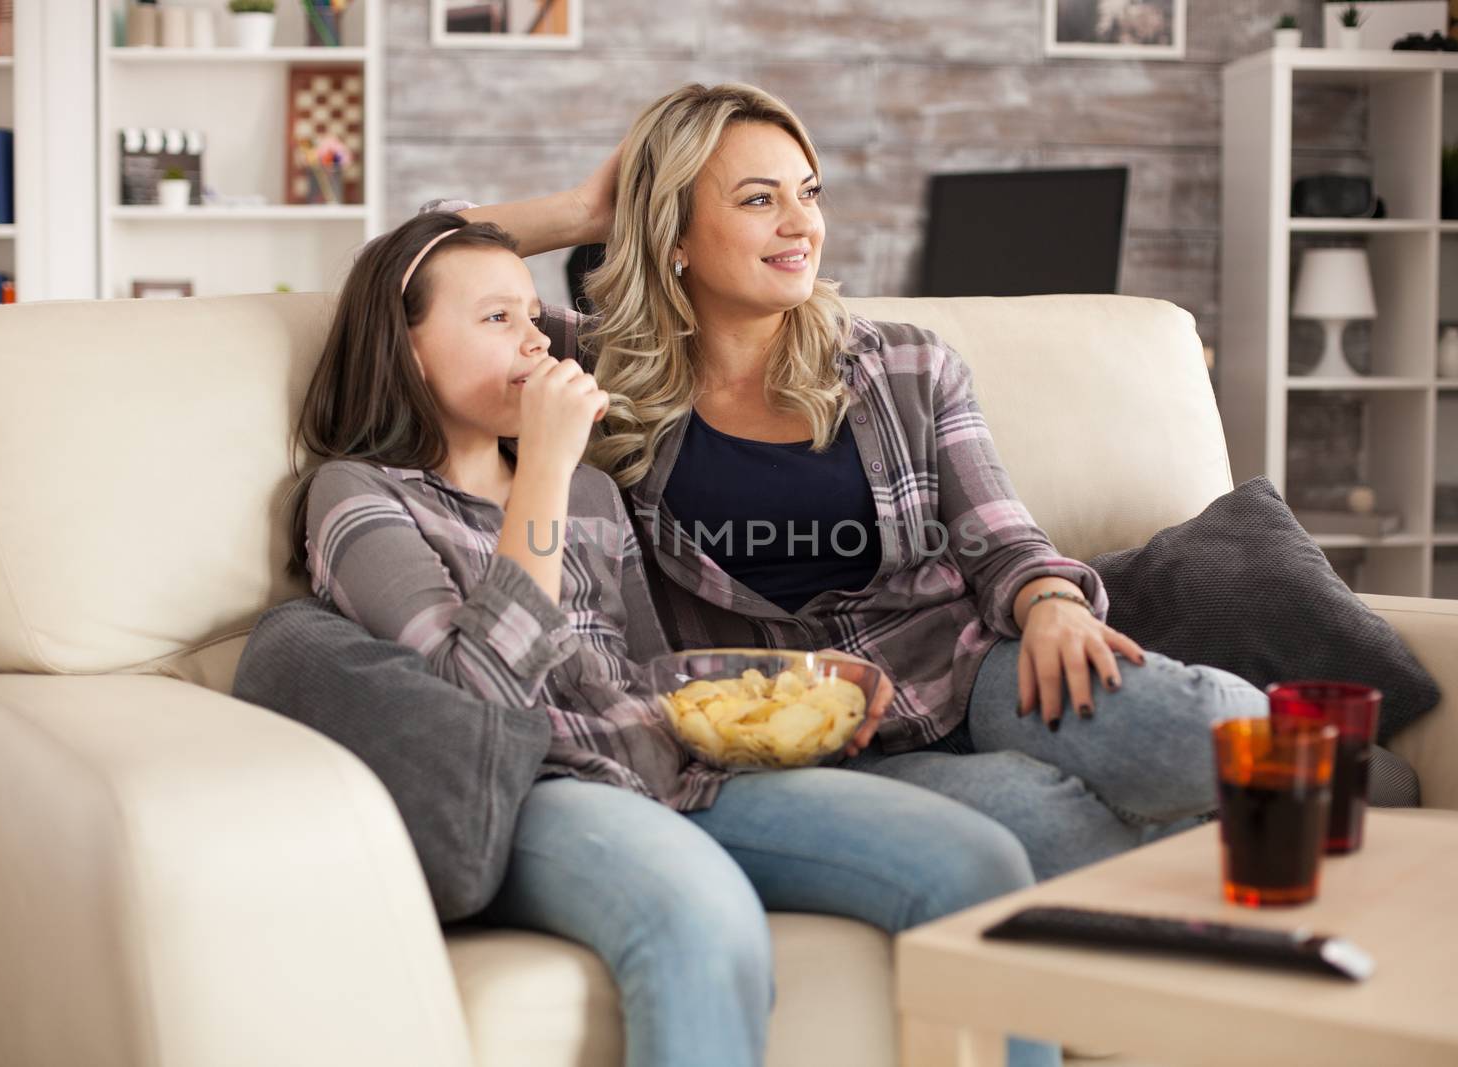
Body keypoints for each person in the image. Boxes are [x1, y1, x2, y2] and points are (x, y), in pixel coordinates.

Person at [438, 81, 1268, 889]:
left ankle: (1240, 820)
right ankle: (1192, 845)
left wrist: (1052, 604)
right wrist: (587, 211)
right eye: (760, 200)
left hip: (969, 670)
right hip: (823, 742)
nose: (802, 224)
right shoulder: (593, 373)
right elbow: (411, 267)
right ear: (674, 234)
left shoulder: (907, 364)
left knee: (1220, 731)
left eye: (809, 192)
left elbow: (1002, 537)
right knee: (1051, 830)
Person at [287, 211, 1055, 1067]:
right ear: (406, 345)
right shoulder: (360, 496)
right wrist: (540, 465)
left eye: (532, 316)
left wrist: (790, 692)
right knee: (701, 915)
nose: (534, 340)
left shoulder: (585, 491)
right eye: (495, 319)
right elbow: (481, 703)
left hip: (673, 770)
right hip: (535, 789)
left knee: (977, 866)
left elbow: (645, 672)